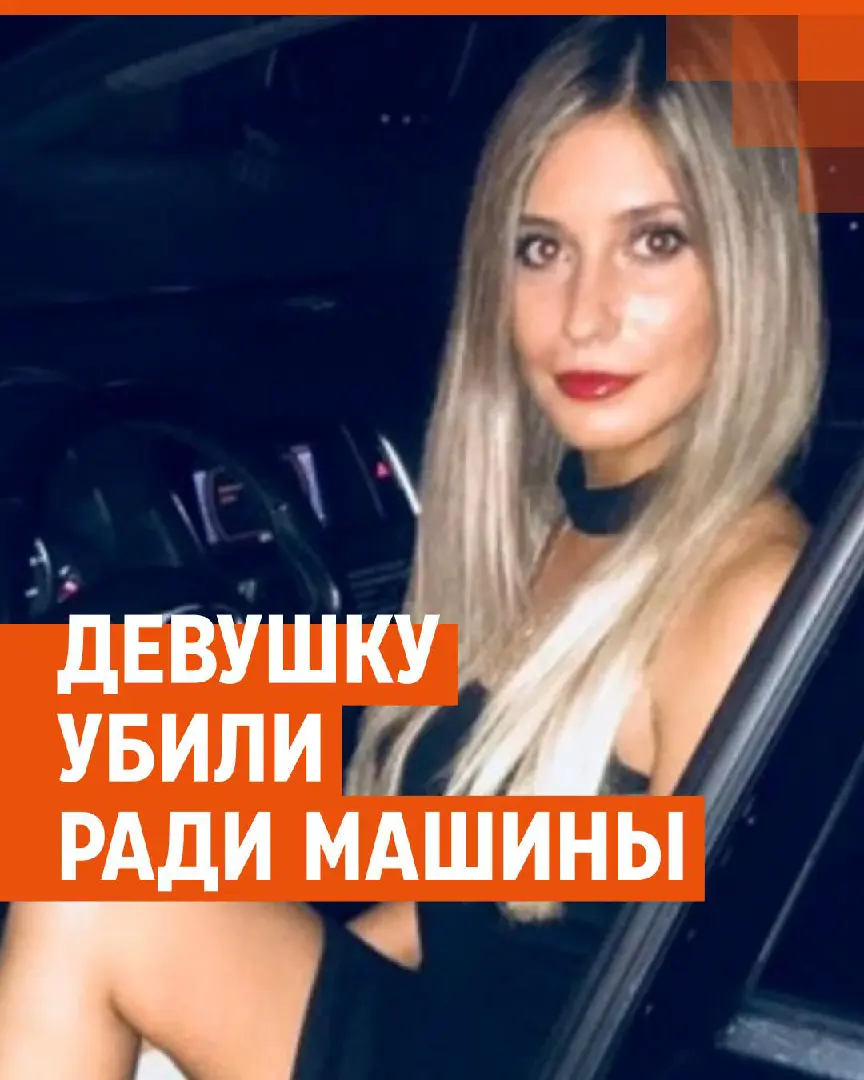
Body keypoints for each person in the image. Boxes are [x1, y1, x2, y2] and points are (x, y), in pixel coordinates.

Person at [0, 14, 823, 1080]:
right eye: (542, 249)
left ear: (750, 269)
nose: (584, 314)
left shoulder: (745, 595)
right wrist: (219, 995)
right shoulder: (565, 530)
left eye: (655, 241)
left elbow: (674, 1032)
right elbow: (455, 913)